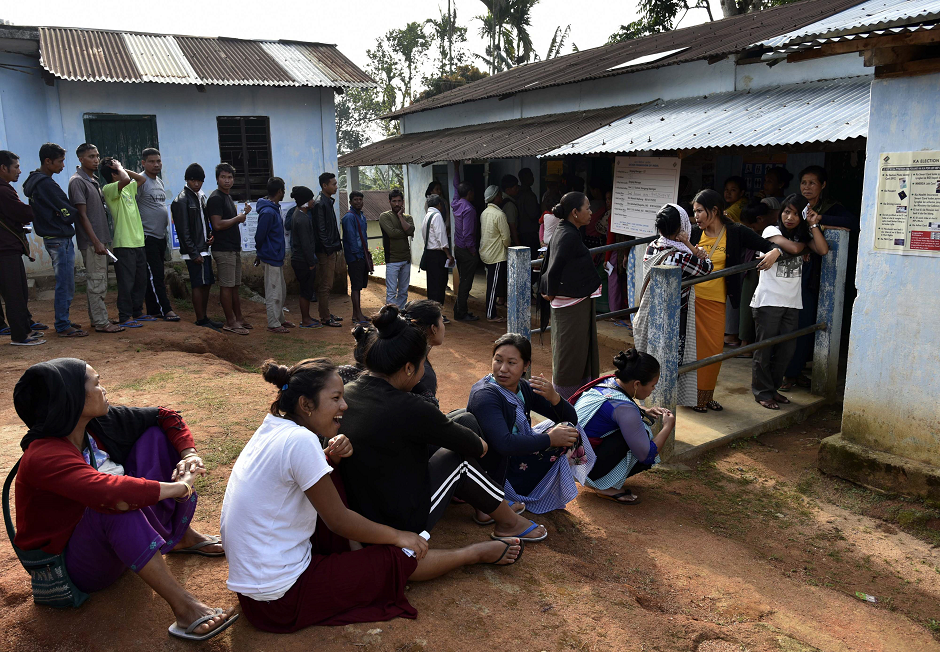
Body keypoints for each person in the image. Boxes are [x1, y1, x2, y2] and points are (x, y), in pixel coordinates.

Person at [221, 357, 522, 633]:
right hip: (280, 599)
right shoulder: (300, 440)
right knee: (400, 554)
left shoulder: (274, 427)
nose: (345, 406)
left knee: (334, 480)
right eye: (336, 398)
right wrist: (397, 536)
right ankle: (473, 554)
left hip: (256, 588)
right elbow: (338, 520)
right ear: (306, 404)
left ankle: (357, 554)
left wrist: (330, 459)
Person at [12, 358, 236, 642]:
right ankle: (185, 607)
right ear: (72, 399)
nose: (104, 389)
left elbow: (164, 415)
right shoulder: (43, 455)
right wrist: (177, 488)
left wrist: (189, 453)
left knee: (156, 435)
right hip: (74, 566)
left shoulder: (96, 425)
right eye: (96, 384)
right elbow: (108, 492)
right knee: (111, 507)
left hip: (112, 545)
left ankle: (180, 537)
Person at [340, 305, 546, 543]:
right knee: (459, 461)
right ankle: (508, 521)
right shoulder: (410, 406)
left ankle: (485, 501)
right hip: (396, 520)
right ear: (409, 368)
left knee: (462, 417)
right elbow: (477, 447)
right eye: (421, 365)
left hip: (361, 508)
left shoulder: (347, 391)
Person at [467, 333, 589, 521]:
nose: (503, 369)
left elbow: (572, 418)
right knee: (559, 438)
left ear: (526, 366)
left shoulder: (522, 388)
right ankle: (497, 499)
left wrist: (554, 398)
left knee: (567, 428)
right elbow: (504, 444)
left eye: (511, 363)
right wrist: (549, 439)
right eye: (498, 360)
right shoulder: (486, 395)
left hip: (514, 453)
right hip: (498, 468)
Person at [689, 189, 781, 412]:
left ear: (715, 210)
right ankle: (692, 398)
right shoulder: (691, 233)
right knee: (690, 352)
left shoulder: (737, 232)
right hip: (690, 302)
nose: (697, 216)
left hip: (716, 302)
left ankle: (706, 395)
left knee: (713, 351)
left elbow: (768, 246)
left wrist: (775, 252)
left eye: (700, 211)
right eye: (694, 212)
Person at [751, 193, 829, 409]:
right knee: (764, 350)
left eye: (796, 213)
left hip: (792, 302)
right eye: (787, 211)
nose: (790, 217)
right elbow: (794, 249)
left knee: (786, 351)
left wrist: (813, 224)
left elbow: (822, 249)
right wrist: (784, 249)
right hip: (768, 301)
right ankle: (761, 392)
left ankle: (773, 389)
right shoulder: (771, 231)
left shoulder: (802, 235)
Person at [633, 204, 713, 407]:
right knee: (671, 362)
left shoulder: (653, 246)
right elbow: (707, 268)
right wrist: (689, 243)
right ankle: (664, 403)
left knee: (653, 357)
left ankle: (652, 400)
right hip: (676, 316)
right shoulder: (681, 255)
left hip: (652, 314)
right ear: (682, 227)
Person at [783, 165, 856, 389]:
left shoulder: (831, 208)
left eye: (812, 183)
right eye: (804, 182)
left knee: (806, 325)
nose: (807, 187)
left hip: (816, 275)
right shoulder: (793, 208)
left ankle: (795, 372)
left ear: (822, 185)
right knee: (788, 326)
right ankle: (786, 373)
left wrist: (820, 218)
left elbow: (853, 222)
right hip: (790, 273)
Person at [572, 350, 674, 504]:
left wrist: (644, 410)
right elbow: (647, 456)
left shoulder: (609, 382)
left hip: (569, 459)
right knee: (641, 436)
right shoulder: (624, 408)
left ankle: (602, 478)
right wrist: (668, 426)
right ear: (637, 384)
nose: (653, 390)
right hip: (584, 469)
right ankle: (602, 485)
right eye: (653, 385)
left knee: (634, 427)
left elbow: (614, 406)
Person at [537, 192, 602, 400]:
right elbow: (554, 267)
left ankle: (576, 396)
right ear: (575, 213)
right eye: (588, 208)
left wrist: (549, 289)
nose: (591, 212)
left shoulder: (565, 230)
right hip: (570, 306)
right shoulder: (567, 234)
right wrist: (550, 290)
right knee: (571, 354)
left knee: (576, 351)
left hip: (571, 303)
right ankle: (567, 400)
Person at [23, 143, 85, 338]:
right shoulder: (46, 184)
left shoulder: (36, 182)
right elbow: (67, 209)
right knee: (65, 283)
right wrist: (68, 217)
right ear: (47, 161)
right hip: (58, 238)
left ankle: (63, 319)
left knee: (65, 282)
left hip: (53, 237)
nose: (63, 165)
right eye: (60, 161)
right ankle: (62, 324)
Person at [68, 144, 123, 334]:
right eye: (91, 156)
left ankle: (98, 318)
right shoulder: (77, 181)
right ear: (80, 159)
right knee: (97, 282)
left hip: (100, 240)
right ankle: (101, 322)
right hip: (92, 242)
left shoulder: (94, 180)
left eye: (97, 155)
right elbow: (82, 216)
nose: (96, 159)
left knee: (100, 280)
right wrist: (96, 241)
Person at [101, 157, 156, 329]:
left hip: (138, 241)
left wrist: (122, 167)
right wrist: (119, 168)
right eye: (117, 170)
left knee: (141, 280)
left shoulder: (128, 189)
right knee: (126, 282)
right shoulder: (109, 189)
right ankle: (125, 316)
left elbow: (141, 179)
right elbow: (125, 179)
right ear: (113, 174)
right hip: (123, 243)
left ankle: (137, 311)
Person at [0, 150, 45, 346]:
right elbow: (22, 212)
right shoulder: (3, 190)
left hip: (8, 248)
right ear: (3, 168)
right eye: (16, 167)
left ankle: (24, 329)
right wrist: (38, 205)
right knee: (15, 294)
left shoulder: (5, 188)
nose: (19, 171)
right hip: (5, 250)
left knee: (17, 293)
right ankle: (20, 336)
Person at [171, 163, 221, 330]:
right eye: (193, 180)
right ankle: (200, 320)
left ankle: (205, 317)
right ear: (187, 180)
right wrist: (193, 252)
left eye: (200, 180)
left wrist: (209, 236)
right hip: (194, 251)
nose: (197, 184)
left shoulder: (200, 196)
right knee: (198, 284)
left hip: (203, 248)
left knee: (206, 283)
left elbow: (203, 222)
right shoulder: (181, 200)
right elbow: (183, 230)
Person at [207, 163, 251, 335]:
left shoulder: (226, 196)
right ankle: (230, 322)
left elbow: (231, 220)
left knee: (234, 286)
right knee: (226, 286)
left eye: (230, 177)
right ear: (217, 178)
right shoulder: (216, 198)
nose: (227, 180)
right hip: (223, 249)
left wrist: (243, 214)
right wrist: (238, 218)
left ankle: (238, 318)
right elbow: (217, 225)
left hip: (232, 248)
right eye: (223, 177)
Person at [136, 148, 179, 322]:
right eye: (152, 161)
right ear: (143, 163)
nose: (156, 164)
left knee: (153, 274)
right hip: (147, 236)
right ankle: (165, 309)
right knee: (156, 275)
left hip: (160, 236)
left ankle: (153, 309)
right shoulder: (140, 181)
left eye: (158, 161)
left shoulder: (159, 182)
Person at [737, 200, 779, 354]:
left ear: (760, 220)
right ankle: (745, 342)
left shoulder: (774, 231)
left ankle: (749, 344)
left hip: (767, 272)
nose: (751, 230)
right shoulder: (755, 233)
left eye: (752, 227)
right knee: (747, 305)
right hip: (751, 270)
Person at [256, 177, 292, 334]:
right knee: (273, 291)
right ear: (279, 191)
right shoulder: (268, 212)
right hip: (271, 257)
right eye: (283, 190)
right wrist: (261, 252)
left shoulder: (273, 208)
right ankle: (273, 323)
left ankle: (280, 318)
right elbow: (259, 236)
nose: (284, 193)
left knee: (280, 290)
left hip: (276, 257)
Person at [312, 172, 344, 327]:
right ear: (325, 186)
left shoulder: (326, 201)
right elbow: (321, 230)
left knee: (328, 284)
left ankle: (326, 312)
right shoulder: (320, 203)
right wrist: (329, 249)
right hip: (326, 251)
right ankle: (324, 317)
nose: (336, 187)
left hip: (329, 249)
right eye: (333, 184)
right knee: (325, 285)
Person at [288, 186, 322, 329]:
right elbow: (306, 244)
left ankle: (307, 317)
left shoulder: (299, 214)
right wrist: (311, 262)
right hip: (303, 260)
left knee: (306, 290)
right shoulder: (301, 218)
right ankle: (306, 320)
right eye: (310, 199)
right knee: (306, 290)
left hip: (301, 259)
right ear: (305, 201)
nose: (313, 201)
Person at [403, 299, 446, 408]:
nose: (444, 327)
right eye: (442, 321)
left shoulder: (402, 351)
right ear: (433, 329)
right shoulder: (423, 372)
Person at [451, 163, 479, 322]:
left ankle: (459, 310)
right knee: (465, 284)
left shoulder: (456, 203)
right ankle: (461, 313)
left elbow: (456, 186)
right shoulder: (469, 209)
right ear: (469, 193)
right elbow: (468, 234)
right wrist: (473, 251)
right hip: (466, 250)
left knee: (463, 281)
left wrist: (456, 170)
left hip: (458, 247)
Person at [379, 189, 415, 310]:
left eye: (399, 201)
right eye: (394, 201)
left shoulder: (407, 217)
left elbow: (410, 231)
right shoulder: (384, 216)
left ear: (403, 201)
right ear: (389, 202)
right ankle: (390, 316)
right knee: (391, 292)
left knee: (403, 291)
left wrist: (400, 217)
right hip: (392, 260)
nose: (397, 204)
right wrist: (405, 232)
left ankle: (401, 314)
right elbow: (392, 233)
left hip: (406, 259)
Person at [479, 185, 510, 322]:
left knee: (492, 283)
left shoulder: (484, 213)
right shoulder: (500, 214)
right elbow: (506, 239)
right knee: (493, 287)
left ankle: (492, 311)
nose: (501, 197)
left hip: (486, 252)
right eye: (500, 195)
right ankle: (491, 314)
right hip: (496, 255)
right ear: (496, 197)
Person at [341, 190, 371, 325]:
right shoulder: (349, 217)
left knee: (359, 286)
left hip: (361, 255)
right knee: (356, 286)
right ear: (350, 202)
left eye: (360, 199)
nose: (358, 202)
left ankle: (356, 314)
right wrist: (358, 256)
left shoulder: (362, 216)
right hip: (355, 257)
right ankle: (358, 315)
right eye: (355, 200)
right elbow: (351, 239)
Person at [421, 195, 453, 318]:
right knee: (440, 284)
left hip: (429, 253)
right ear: (439, 205)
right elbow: (442, 238)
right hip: (438, 254)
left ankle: (432, 313)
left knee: (432, 284)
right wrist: (448, 254)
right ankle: (437, 314)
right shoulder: (437, 216)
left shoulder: (427, 216)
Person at [517, 168, 541, 255]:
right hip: (529, 231)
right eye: (531, 176)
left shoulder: (518, 193)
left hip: (522, 230)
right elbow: (533, 213)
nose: (533, 178)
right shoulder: (528, 195)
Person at [500, 174, 521, 247]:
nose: (518, 190)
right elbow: (512, 226)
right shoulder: (509, 205)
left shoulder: (500, 200)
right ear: (508, 190)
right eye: (515, 188)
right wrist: (518, 244)